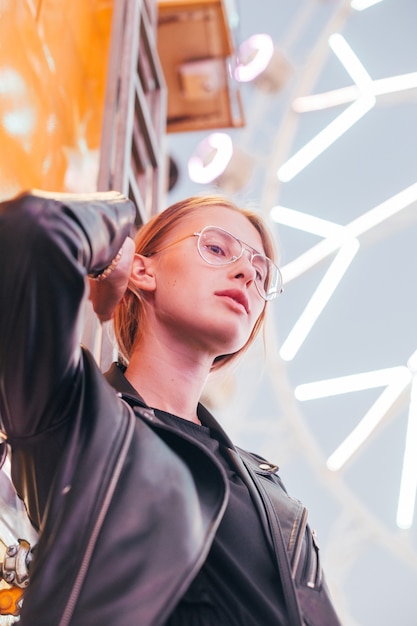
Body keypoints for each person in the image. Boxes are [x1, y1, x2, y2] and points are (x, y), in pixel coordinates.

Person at [0, 190, 341, 626]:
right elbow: (32, 231)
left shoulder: (278, 502)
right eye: (217, 249)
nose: (244, 274)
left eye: (260, 275)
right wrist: (118, 235)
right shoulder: (76, 416)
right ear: (142, 269)